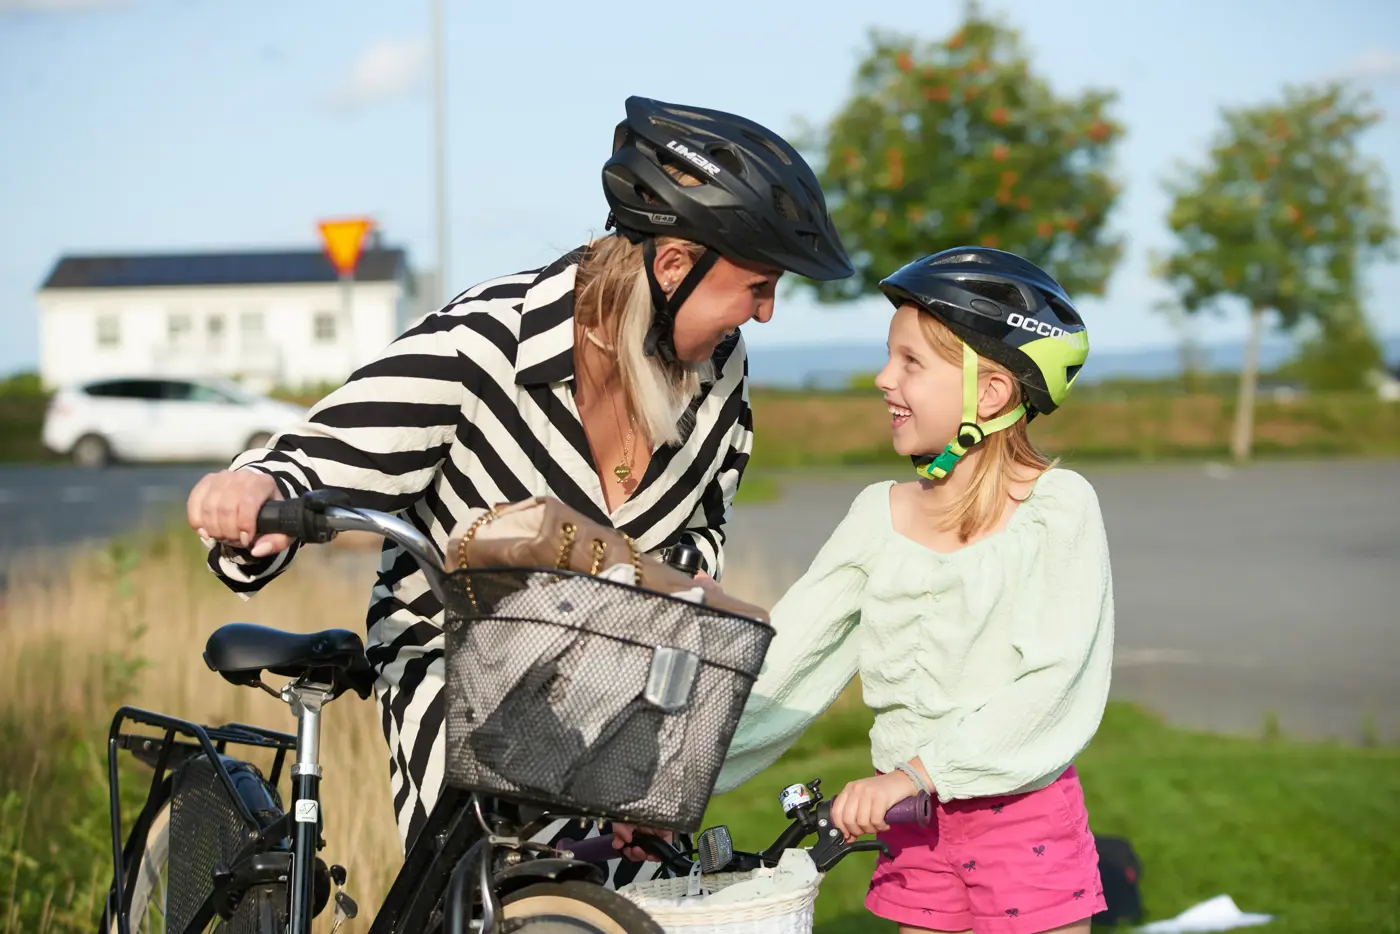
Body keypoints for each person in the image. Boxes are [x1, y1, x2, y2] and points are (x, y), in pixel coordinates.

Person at [185, 95, 853, 887]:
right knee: (502, 886)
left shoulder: (720, 377)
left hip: (613, 690)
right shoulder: (484, 342)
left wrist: (659, 737)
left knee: (638, 904)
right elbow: (317, 458)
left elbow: (695, 549)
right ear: (674, 266)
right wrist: (253, 492)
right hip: (461, 671)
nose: (766, 313)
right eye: (758, 286)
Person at [710, 247, 1114, 934]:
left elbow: (1054, 682)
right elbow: (785, 665)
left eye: (910, 362)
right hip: (913, 828)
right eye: (888, 357)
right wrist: (675, 785)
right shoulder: (879, 515)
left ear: (990, 394)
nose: (883, 378)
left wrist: (919, 773)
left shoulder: (1057, 509)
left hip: (1022, 825)